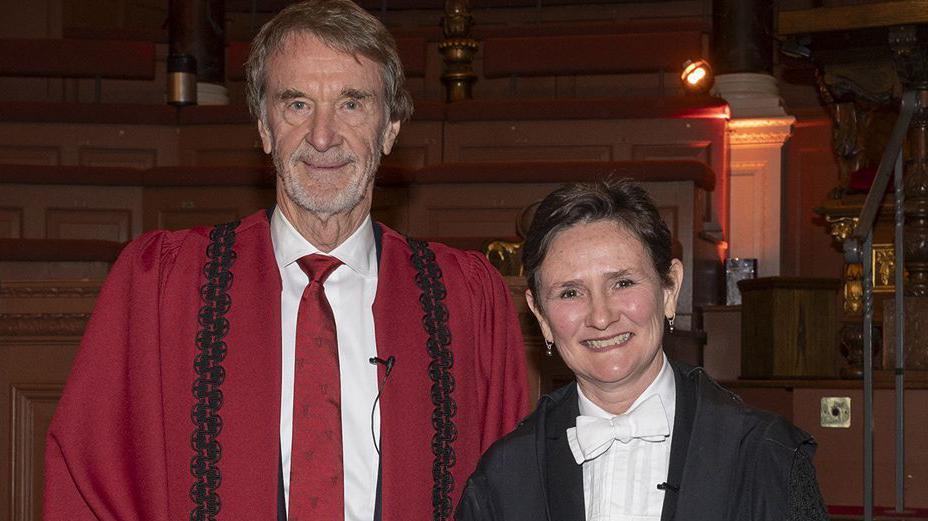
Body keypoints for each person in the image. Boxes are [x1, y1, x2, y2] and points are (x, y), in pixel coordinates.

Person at [44, 1, 528, 520]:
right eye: (297, 104)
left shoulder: (464, 298)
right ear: (265, 128)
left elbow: (514, 493)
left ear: (389, 130)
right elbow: (87, 486)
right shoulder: (163, 286)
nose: (323, 136)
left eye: (352, 103)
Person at [455, 179, 828, 521]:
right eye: (570, 292)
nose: (601, 317)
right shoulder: (504, 476)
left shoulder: (767, 455)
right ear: (540, 314)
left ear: (669, 289)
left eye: (623, 283)